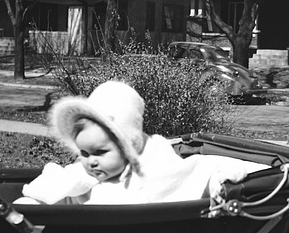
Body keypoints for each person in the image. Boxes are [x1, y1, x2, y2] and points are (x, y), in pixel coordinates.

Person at [14, 80, 266, 205]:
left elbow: (196, 170)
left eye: (100, 152)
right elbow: (55, 184)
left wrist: (220, 179)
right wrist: (31, 204)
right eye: (84, 152)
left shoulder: (154, 165)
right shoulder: (83, 173)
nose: (90, 161)